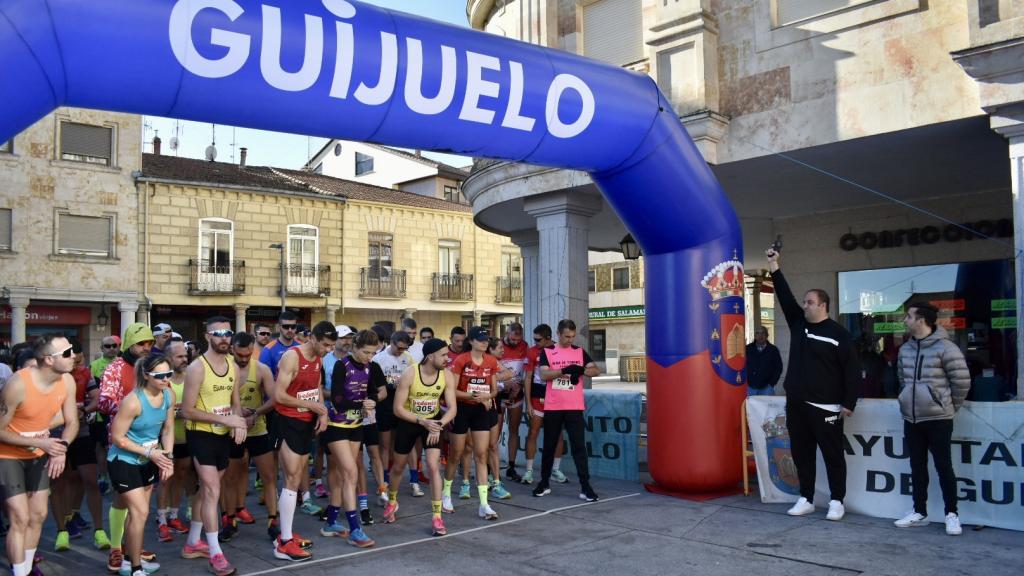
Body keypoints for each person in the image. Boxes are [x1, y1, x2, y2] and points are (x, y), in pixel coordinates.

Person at [767, 247, 859, 521]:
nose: (804, 305)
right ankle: (806, 497)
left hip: (827, 406)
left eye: (809, 302)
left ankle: (836, 501)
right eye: (804, 302)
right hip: (797, 404)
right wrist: (774, 267)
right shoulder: (798, 324)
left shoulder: (838, 334)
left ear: (823, 305)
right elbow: (784, 296)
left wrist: (849, 402)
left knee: (832, 456)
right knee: (801, 454)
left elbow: (852, 370)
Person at [0, 334, 79, 576]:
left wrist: (61, 447)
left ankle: (25, 568)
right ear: (48, 360)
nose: (73, 355)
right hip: (8, 455)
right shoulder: (18, 384)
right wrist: (44, 443)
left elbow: (71, 420)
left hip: (39, 453)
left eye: (72, 350)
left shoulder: (67, 381)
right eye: (66, 353)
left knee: (38, 515)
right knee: (20, 518)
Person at [894, 302, 971, 535]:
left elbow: (962, 381)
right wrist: (906, 399)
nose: (905, 320)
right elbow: (901, 379)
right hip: (912, 419)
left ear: (921, 320)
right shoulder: (905, 349)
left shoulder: (946, 348)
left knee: (944, 467)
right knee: (916, 468)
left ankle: (952, 514)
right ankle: (919, 511)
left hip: (939, 419)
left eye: (908, 316)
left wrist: (947, 407)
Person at [181, 317, 247, 576]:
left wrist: (239, 422)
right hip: (201, 435)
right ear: (208, 336)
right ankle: (216, 552)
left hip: (223, 435)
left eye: (228, 333)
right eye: (218, 333)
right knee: (212, 490)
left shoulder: (231, 364)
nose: (224, 338)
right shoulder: (197, 368)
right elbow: (186, 410)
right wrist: (225, 419)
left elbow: (235, 400)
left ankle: (192, 543)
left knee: (206, 492)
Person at [272, 321, 337, 563]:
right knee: (290, 478)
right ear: (313, 338)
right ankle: (284, 543)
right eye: (326, 345)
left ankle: (287, 534)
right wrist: (313, 406)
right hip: (288, 421)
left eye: (332, 346)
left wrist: (323, 413)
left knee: (298, 476)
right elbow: (278, 395)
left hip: (306, 421)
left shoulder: (319, 357)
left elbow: (316, 387)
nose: (329, 350)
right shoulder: (292, 357)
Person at [107, 353, 176, 576]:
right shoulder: (133, 401)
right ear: (146, 375)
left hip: (149, 459)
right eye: (160, 375)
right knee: (140, 512)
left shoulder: (169, 395)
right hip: (124, 461)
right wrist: (149, 452)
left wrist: (168, 458)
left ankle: (129, 560)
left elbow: (167, 429)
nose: (166, 379)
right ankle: (136, 569)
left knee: (137, 514)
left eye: (169, 374)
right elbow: (117, 437)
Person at [98, 323, 159, 573]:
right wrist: (132, 409)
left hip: (150, 443)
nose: (146, 348)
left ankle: (132, 546)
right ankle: (115, 549)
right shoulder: (114, 368)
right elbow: (104, 401)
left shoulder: (152, 367)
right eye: (141, 344)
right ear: (128, 344)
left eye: (150, 343)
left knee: (143, 499)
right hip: (123, 442)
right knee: (122, 497)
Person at [382, 338, 458, 536]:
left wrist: (439, 424)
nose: (447, 358)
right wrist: (421, 421)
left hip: (432, 423)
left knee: (434, 467)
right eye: (443, 355)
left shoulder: (447, 375)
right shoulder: (411, 373)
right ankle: (391, 501)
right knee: (398, 466)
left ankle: (437, 516)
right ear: (430, 356)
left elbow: (452, 408)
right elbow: (397, 409)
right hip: (410, 421)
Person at [531, 319, 601, 501]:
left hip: (574, 407)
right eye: (566, 336)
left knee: (579, 448)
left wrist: (582, 371)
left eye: (572, 336)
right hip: (554, 406)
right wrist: (564, 370)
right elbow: (544, 374)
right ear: (558, 334)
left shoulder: (579, 351)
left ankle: (586, 487)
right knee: (549, 446)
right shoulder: (547, 352)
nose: (570, 340)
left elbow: (596, 370)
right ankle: (544, 483)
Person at [321, 329, 378, 548]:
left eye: (373, 353)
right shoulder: (341, 365)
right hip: (336, 426)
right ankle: (355, 529)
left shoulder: (370, 367)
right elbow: (336, 398)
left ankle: (331, 522)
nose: (369, 357)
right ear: (354, 347)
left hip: (356, 426)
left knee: (341, 475)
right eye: (365, 352)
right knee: (351, 472)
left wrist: (372, 401)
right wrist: (361, 405)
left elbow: (373, 391)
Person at [221, 332, 277, 541]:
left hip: (256, 429)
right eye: (239, 354)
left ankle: (274, 522)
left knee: (269, 476)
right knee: (230, 478)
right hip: (231, 430)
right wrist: (233, 414)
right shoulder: (222, 370)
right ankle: (230, 520)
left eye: (247, 354)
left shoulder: (261, 369)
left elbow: (275, 399)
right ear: (231, 349)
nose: (243, 358)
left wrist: (256, 413)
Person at [54, 338, 109, 552]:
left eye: (77, 361)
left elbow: (97, 398)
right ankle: (62, 531)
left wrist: (85, 410)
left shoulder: (85, 374)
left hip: (83, 431)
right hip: (56, 434)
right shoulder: (51, 375)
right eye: (71, 361)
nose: (74, 366)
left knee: (89, 479)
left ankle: (99, 530)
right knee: (60, 482)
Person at [444, 326, 500, 520]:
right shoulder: (461, 360)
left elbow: (494, 391)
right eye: (481, 340)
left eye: (487, 340)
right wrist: (472, 395)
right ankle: (445, 494)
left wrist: (486, 396)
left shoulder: (491, 361)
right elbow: (451, 390)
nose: (485, 343)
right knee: (456, 454)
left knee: (482, 454)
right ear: (472, 341)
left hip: (481, 410)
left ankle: (484, 504)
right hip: (461, 409)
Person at [155, 341, 196, 544]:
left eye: (185, 355)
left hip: (186, 437)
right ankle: (161, 519)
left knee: (180, 475)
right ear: (168, 358)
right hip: (165, 438)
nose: (184, 359)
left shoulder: (190, 377)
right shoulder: (162, 380)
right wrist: (175, 413)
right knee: (165, 479)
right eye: (179, 356)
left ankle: (173, 516)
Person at [372, 331, 417, 498]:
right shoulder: (378, 359)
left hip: (404, 404)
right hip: (385, 405)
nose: (401, 352)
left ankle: (414, 479)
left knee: (408, 442)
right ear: (391, 341)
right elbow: (375, 384)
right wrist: (391, 384)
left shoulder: (408, 358)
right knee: (385, 444)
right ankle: (383, 480)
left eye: (404, 349)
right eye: (398, 348)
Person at [522, 324, 564, 485]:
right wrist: (528, 404)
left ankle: (555, 469)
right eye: (534, 339)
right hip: (537, 398)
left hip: (556, 398)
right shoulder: (532, 351)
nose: (535, 342)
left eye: (538, 340)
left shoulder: (559, 349)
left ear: (548, 338)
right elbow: (527, 378)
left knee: (558, 435)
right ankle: (529, 471)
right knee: (533, 433)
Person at [498, 323, 528, 483]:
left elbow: (525, 371)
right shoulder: (498, 345)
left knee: (514, 429)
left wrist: (519, 385)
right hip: (499, 392)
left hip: (517, 393)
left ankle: (511, 466)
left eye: (519, 339)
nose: (516, 342)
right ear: (507, 333)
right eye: (512, 338)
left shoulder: (524, 345)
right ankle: (491, 468)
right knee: (494, 432)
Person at [485, 338, 513, 500]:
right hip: (475, 407)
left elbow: (509, 373)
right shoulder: (469, 360)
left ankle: (494, 480)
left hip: (493, 405)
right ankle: (468, 481)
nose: (503, 350)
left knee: (492, 445)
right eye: (500, 348)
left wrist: (491, 378)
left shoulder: (492, 362)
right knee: (476, 449)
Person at [746, 326, 783, 396]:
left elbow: (779, 368)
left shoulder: (773, 350)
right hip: (750, 388)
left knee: (767, 407)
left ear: (767, 335)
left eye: (763, 333)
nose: (760, 336)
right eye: (758, 333)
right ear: (755, 336)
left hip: (767, 388)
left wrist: (772, 383)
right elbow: (742, 366)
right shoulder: (747, 349)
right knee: (750, 407)